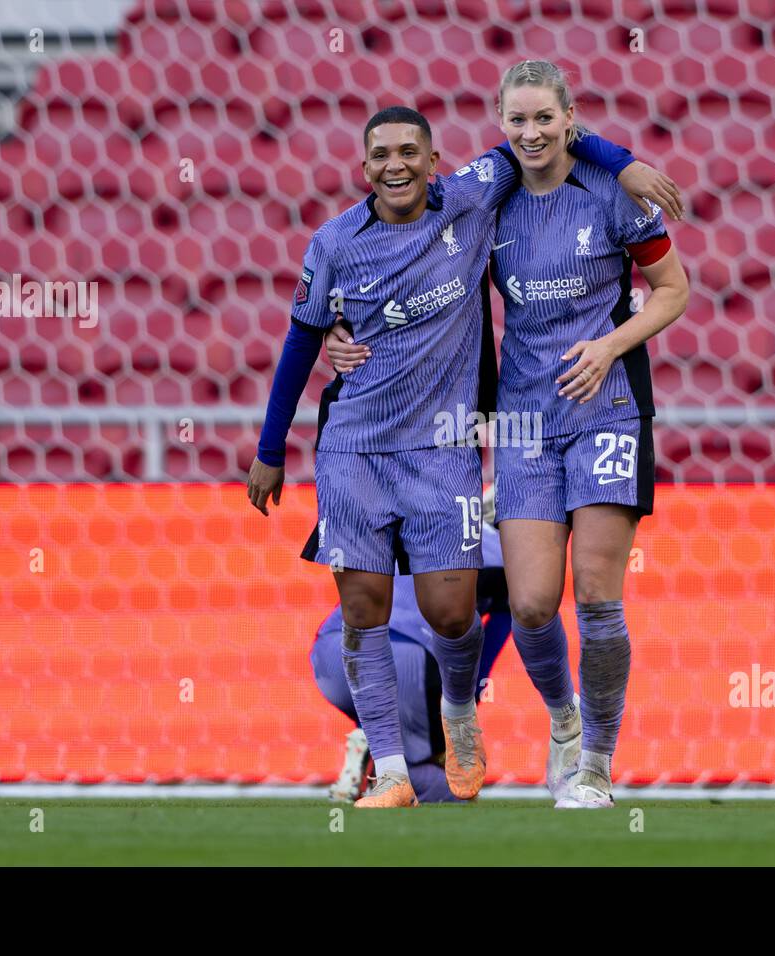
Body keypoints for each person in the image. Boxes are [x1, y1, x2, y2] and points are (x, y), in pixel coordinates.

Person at [247, 104, 680, 808]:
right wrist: (271, 449)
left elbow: (538, 134)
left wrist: (621, 158)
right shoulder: (334, 243)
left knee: (452, 612)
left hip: (447, 443)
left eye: (410, 152)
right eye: (381, 154)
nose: (396, 165)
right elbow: (303, 338)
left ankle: (459, 712)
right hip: (354, 443)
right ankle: (390, 772)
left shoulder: (473, 198)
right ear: (364, 168)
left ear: (433, 158)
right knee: (363, 607)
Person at [312, 516, 510, 804]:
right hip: (407, 656)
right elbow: (486, 651)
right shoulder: (508, 560)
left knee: (399, 727)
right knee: (456, 792)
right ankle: (381, 766)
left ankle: (370, 739)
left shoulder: (423, 521)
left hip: (331, 649)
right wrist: (468, 702)